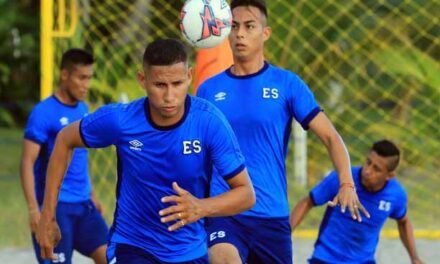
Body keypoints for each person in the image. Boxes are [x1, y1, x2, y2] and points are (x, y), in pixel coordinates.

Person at [36, 38, 256, 264]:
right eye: (160, 85)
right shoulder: (120, 120)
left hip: (190, 251)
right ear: (142, 79)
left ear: (189, 76)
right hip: (133, 246)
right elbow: (64, 139)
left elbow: (246, 194)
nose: (169, 96)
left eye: (177, 84)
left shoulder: (210, 122)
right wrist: (47, 216)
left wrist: (201, 207)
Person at [197, 0, 369, 263]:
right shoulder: (208, 90)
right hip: (225, 212)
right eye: (233, 26)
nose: (240, 33)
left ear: (265, 33)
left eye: (249, 26)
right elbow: (196, 154)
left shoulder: (287, 84)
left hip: (271, 215)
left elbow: (331, 137)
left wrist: (347, 183)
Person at [19, 49, 108, 264]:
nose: (86, 84)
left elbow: (79, 157)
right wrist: (34, 210)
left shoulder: (83, 109)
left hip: (84, 205)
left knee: (112, 257)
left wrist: (92, 194)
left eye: (89, 78)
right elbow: (27, 163)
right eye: (81, 77)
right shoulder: (43, 113)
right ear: (65, 75)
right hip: (56, 209)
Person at [290, 140, 424, 264]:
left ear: (389, 176)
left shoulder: (396, 195)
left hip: (363, 261)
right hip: (326, 257)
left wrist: (414, 257)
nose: (367, 171)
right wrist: (283, 235)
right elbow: (307, 202)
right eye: (368, 162)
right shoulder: (342, 179)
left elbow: (403, 221)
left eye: (376, 169)